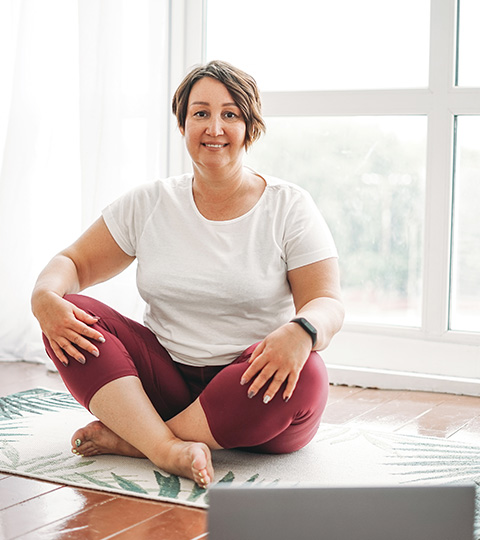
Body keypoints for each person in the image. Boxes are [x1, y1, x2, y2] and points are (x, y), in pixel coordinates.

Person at [31, 60, 345, 488]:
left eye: (230, 114)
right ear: (183, 125)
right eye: (200, 113)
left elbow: (326, 302)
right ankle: (167, 448)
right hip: (166, 383)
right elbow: (74, 263)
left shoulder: (289, 206)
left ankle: (138, 439)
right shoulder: (151, 202)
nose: (214, 127)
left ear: (250, 128)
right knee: (68, 314)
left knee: (308, 375)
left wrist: (302, 330)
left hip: (251, 386)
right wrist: (43, 298)